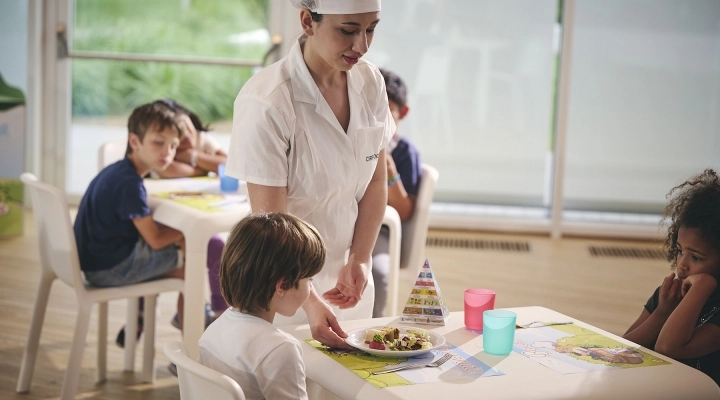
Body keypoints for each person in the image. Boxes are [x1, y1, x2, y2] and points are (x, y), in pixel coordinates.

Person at [225, 0, 394, 348]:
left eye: (371, 29)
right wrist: (310, 300)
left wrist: (360, 258)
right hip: (287, 285)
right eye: (347, 31)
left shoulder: (370, 82)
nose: (361, 45)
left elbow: (376, 182)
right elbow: (273, 226)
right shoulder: (268, 102)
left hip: (351, 278)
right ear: (307, 21)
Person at [74, 102, 187, 330]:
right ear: (135, 142)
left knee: (180, 247)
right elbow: (155, 240)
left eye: (173, 146)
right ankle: (192, 342)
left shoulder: (118, 171)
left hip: (95, 263)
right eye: (159, 142)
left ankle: (142, 317)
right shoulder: (130, 184)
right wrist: (186, 232)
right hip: (109, 270)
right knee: (190, 261)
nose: (168, 152)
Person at [198, 213, 325, 400]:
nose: (310, 288)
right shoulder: (280, 349)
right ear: (282, 286)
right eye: (309, 280)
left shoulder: (215, 328)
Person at [623, 169, 720, 386]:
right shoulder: (668, 297)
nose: (682, 264)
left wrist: (703, 286)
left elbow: (669, 347)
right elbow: (621, 350)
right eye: (679, 251)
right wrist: (662, 312)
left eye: (695, 257)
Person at [371, 68, 422, 317]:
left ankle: (374, 329)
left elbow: (404, 211)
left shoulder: (405, 154)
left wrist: (389, 172)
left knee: (379, 274)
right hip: (341, 224)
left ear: (403, 113)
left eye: (386, 111)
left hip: (381, 231)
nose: (378, 119)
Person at [150, 98, 227, 178]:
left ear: (188, 117)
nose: (185, 135)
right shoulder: (163, 148)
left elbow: (229, 166)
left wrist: (193, 156)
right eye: (178, 132)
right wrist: (204, 168)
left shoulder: (200, 137)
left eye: (185, 125)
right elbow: (168, 171)